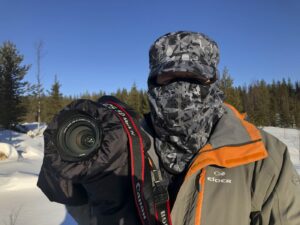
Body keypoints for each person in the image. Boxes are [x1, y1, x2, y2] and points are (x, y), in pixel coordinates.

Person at [40, 31, 300, 225]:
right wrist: (78, 175)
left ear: (212, 83)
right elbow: (89, 215)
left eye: (195, 79)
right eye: (169, 78)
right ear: (153, 84)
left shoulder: (262, 156)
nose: (181, 89)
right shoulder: (124, 147)